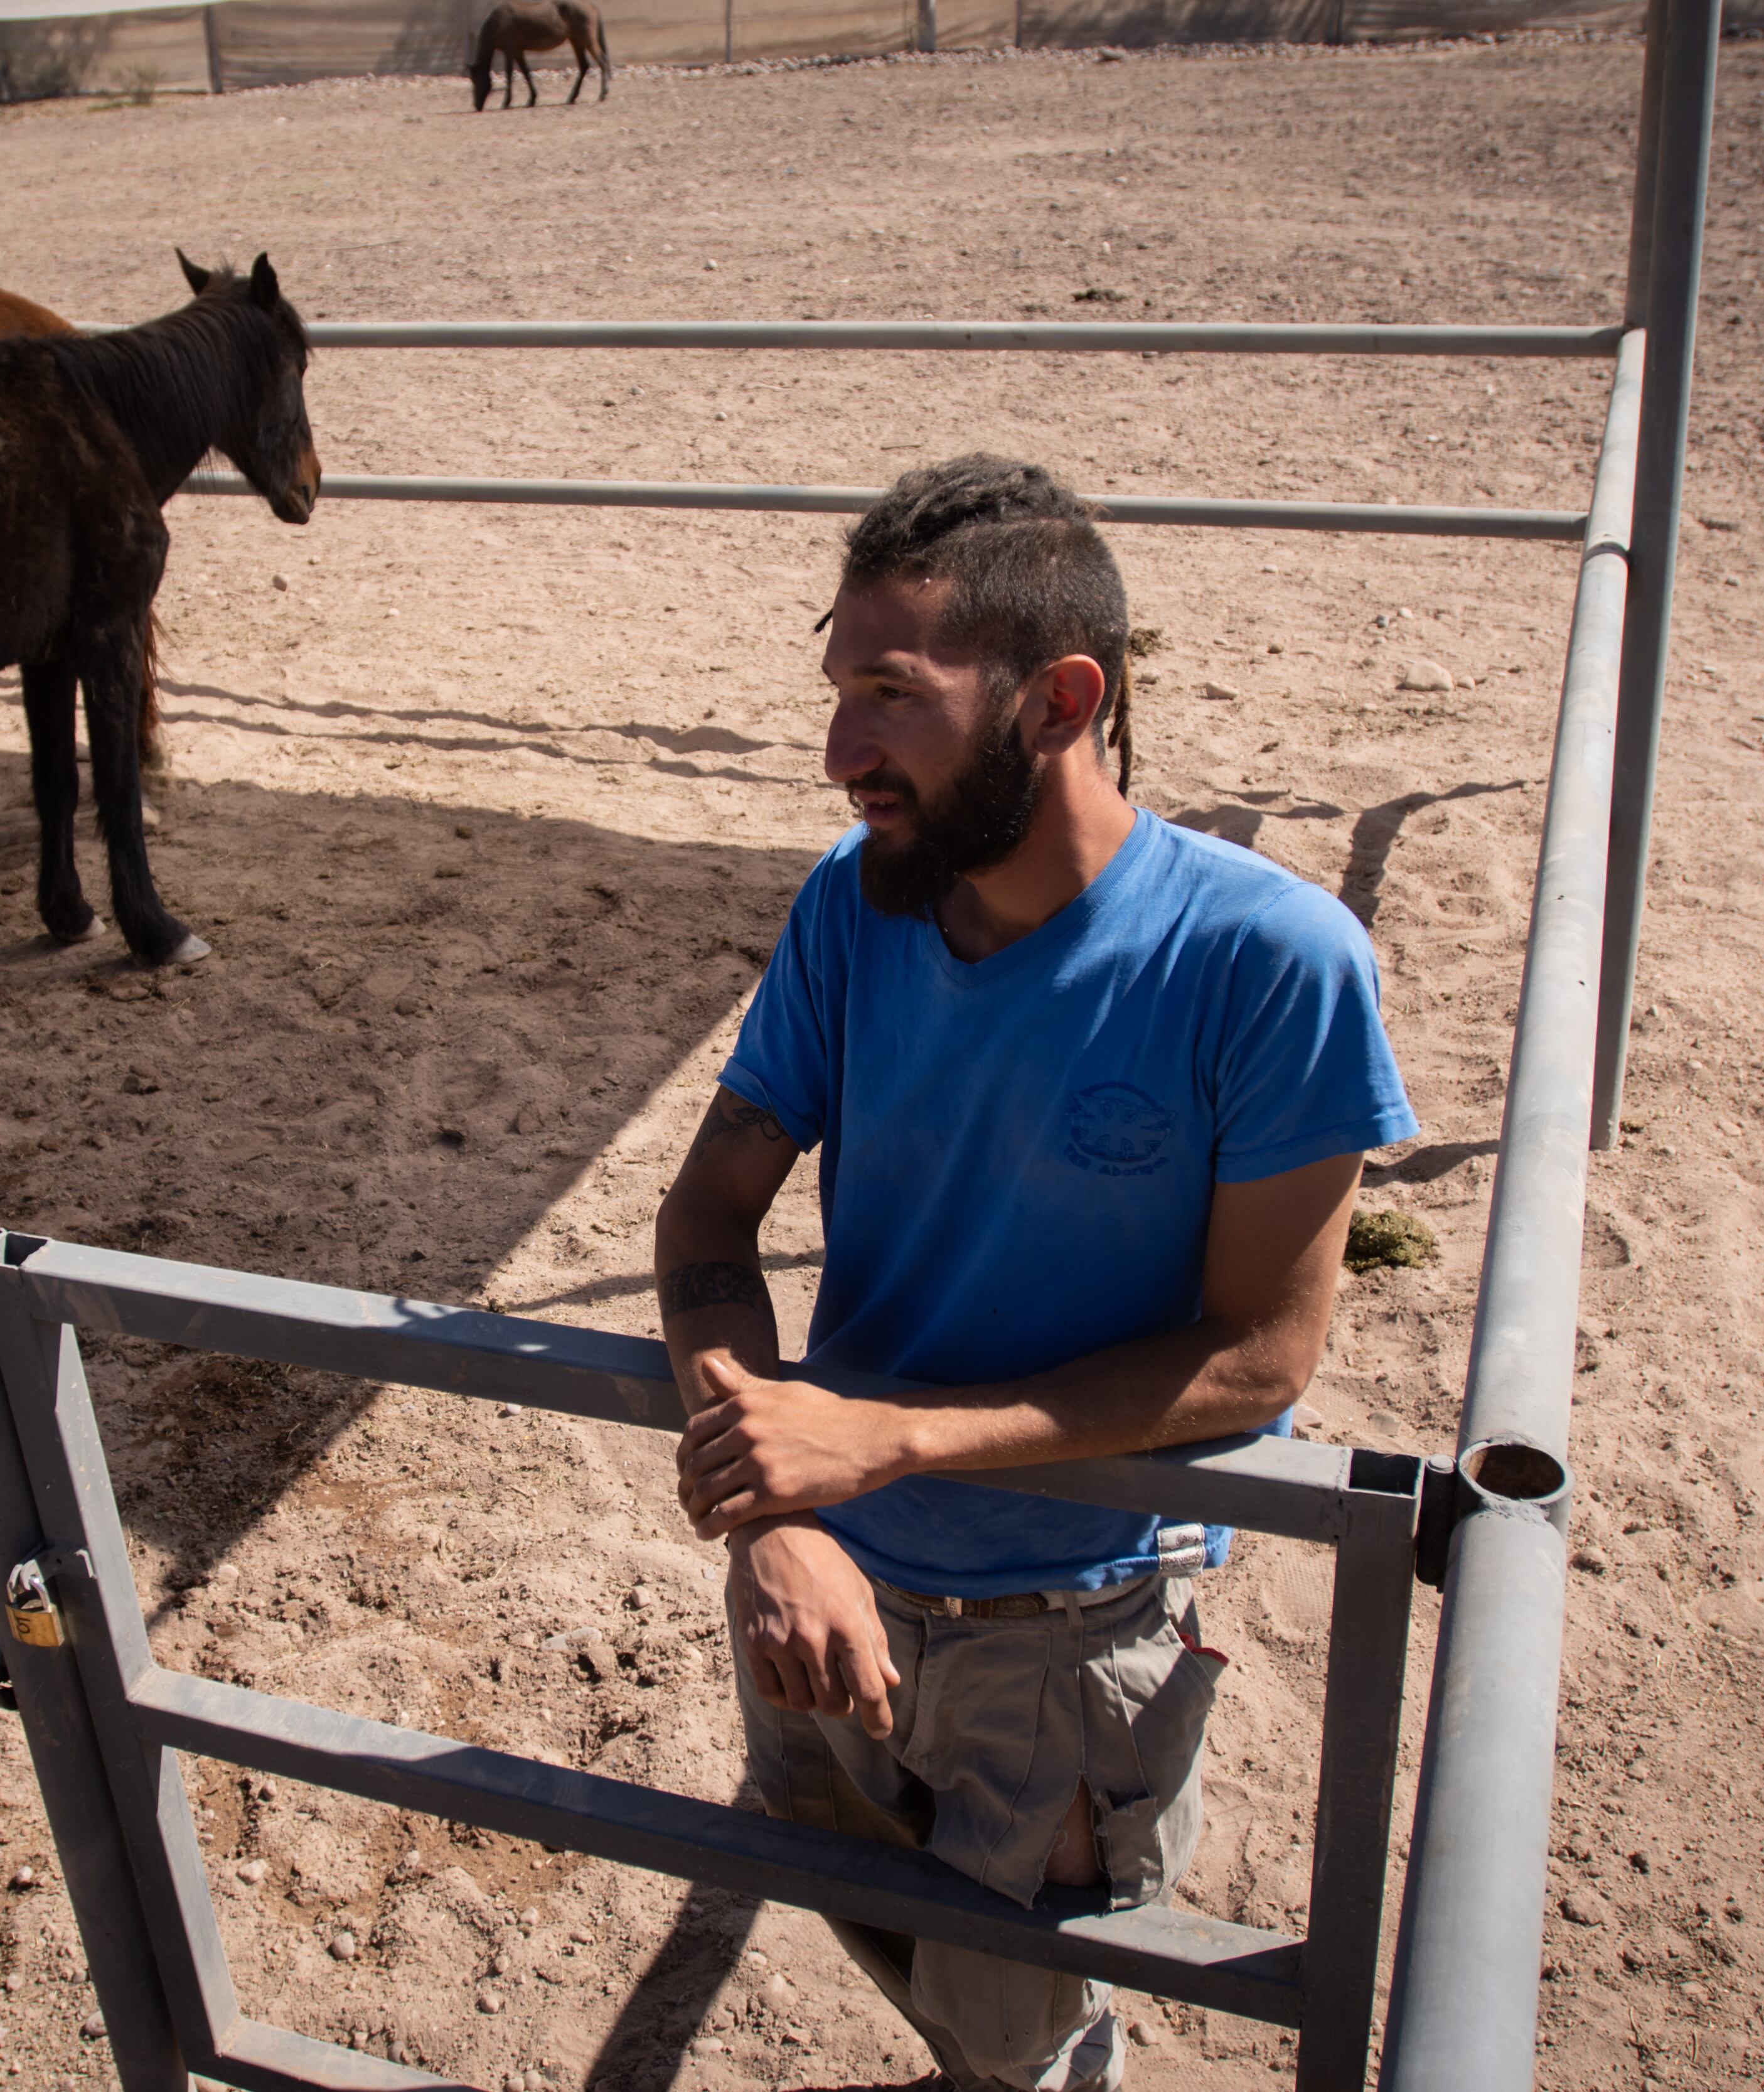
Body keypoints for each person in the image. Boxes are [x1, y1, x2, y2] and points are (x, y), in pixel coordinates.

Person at [653, 455, 1415, 2092]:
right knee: (878, 1926)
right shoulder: (853, 911)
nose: (841, 751)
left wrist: (891, 1440)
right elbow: (710, 1213)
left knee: (1023, 2040)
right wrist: (785, 1514)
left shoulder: (1269, 964)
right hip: (821, 1589)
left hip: (1066, 1642)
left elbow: (1260, 1359)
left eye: (892, 698)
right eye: (837, 692)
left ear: (1061, 697)